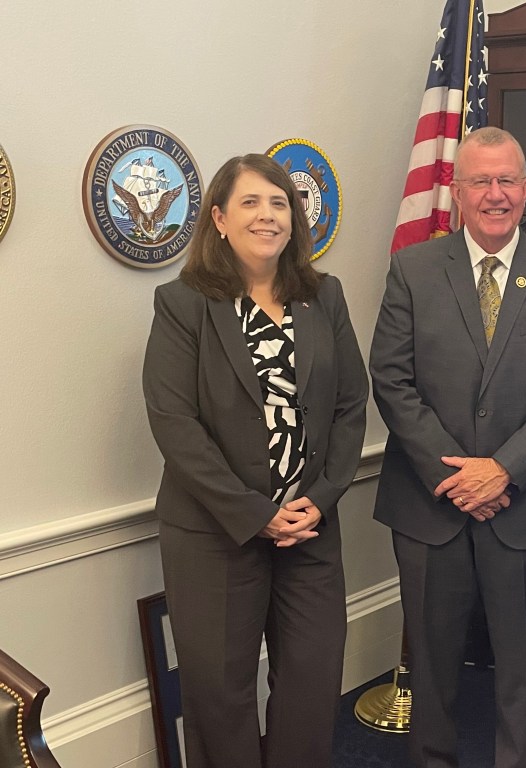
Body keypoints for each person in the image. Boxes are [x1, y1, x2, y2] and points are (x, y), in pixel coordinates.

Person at [370, 126, 526, 768]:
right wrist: (456, 477)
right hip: (428, 506)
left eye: (508, 181)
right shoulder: (414, 269)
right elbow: (391, 377)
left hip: (525, 508)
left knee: (521, 668)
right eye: (481, 181)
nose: (495, 195)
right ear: (457, 190)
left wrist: (502, 470)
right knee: (432, 669)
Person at [142, 153, 368, 768]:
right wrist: (254, 513)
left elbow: (352, 407)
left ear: (294, 220)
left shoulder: (326, 296)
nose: (267, 216)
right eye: (250, 202)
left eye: (278, 204)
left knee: (311, 685)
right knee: (221, 696)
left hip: (309, 529)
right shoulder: (183, 303)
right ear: (218, 217)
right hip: (215, 534)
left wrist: (316, 500)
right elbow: (174, 422)